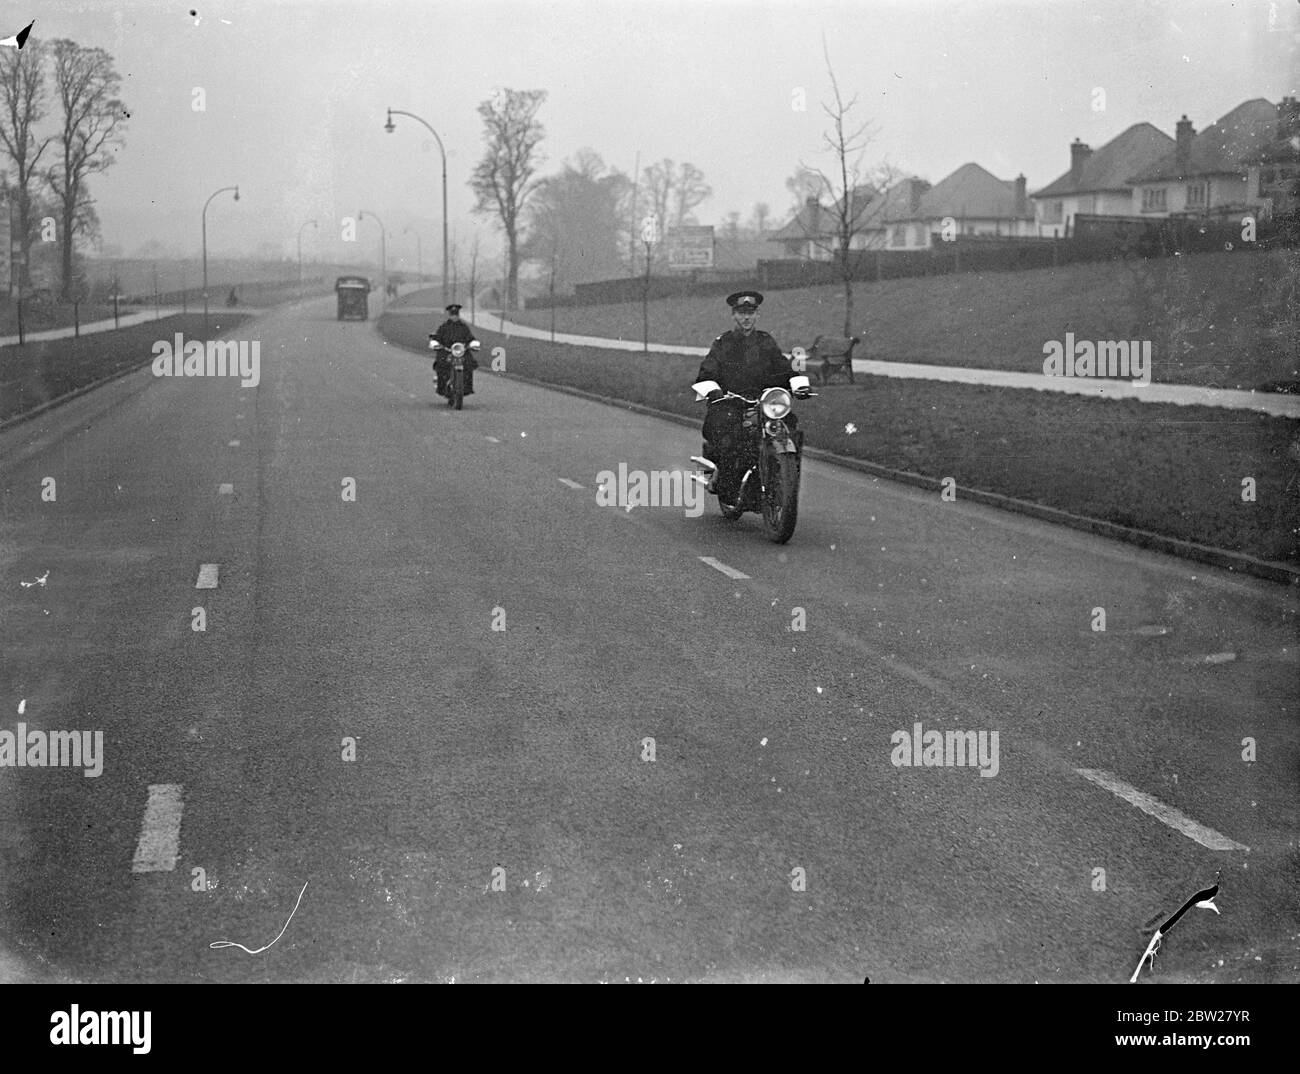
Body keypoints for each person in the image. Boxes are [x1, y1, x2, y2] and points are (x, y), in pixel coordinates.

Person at [691, 290, 810, 500]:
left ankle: (785, 482)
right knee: (729, 437)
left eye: (751, 312)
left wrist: (798, 384)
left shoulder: (765, 341)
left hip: (763, 402)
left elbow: (783, 367)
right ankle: (726, 484)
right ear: (733, 315)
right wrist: (714, 391)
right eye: (741, 312)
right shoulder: (723, 343)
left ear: (757, 315)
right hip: (731, 402)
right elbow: (706, 373)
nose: (746, 317)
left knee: (790, 426)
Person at [431, 303, 477, 397]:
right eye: (453, 314)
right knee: (441, 366)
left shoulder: (464, 327)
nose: (454, 317)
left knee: (469, 365)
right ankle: (441, 388)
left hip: (461, 352)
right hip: (447, 351)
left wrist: (472, 344)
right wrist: (436, 344)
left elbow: (470, 338)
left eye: (456, 314)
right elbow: (437, 338)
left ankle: (467, 388)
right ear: (450, 315)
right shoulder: (444, 327)